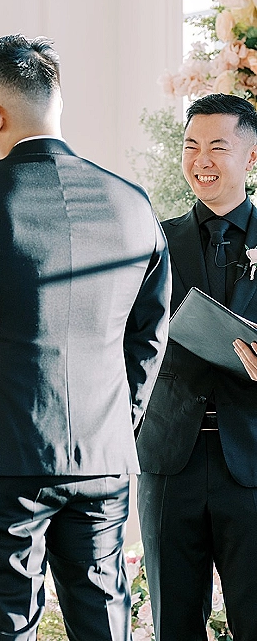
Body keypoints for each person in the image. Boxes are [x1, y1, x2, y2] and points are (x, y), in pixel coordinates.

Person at [0, 35, 170, 641]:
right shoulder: (133, 204)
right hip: (101, 456)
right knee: (104, 622)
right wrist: (118, 419)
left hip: (2, 454)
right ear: (56, 103)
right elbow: (149, 336)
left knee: (8, 628)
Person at [137, 93, 257, 641]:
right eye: (190, 147)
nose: (200, 160)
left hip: (251, 462)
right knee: (174, 625)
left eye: (217, 147)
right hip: (169, 461)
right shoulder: (153, 241)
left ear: (250, 157)